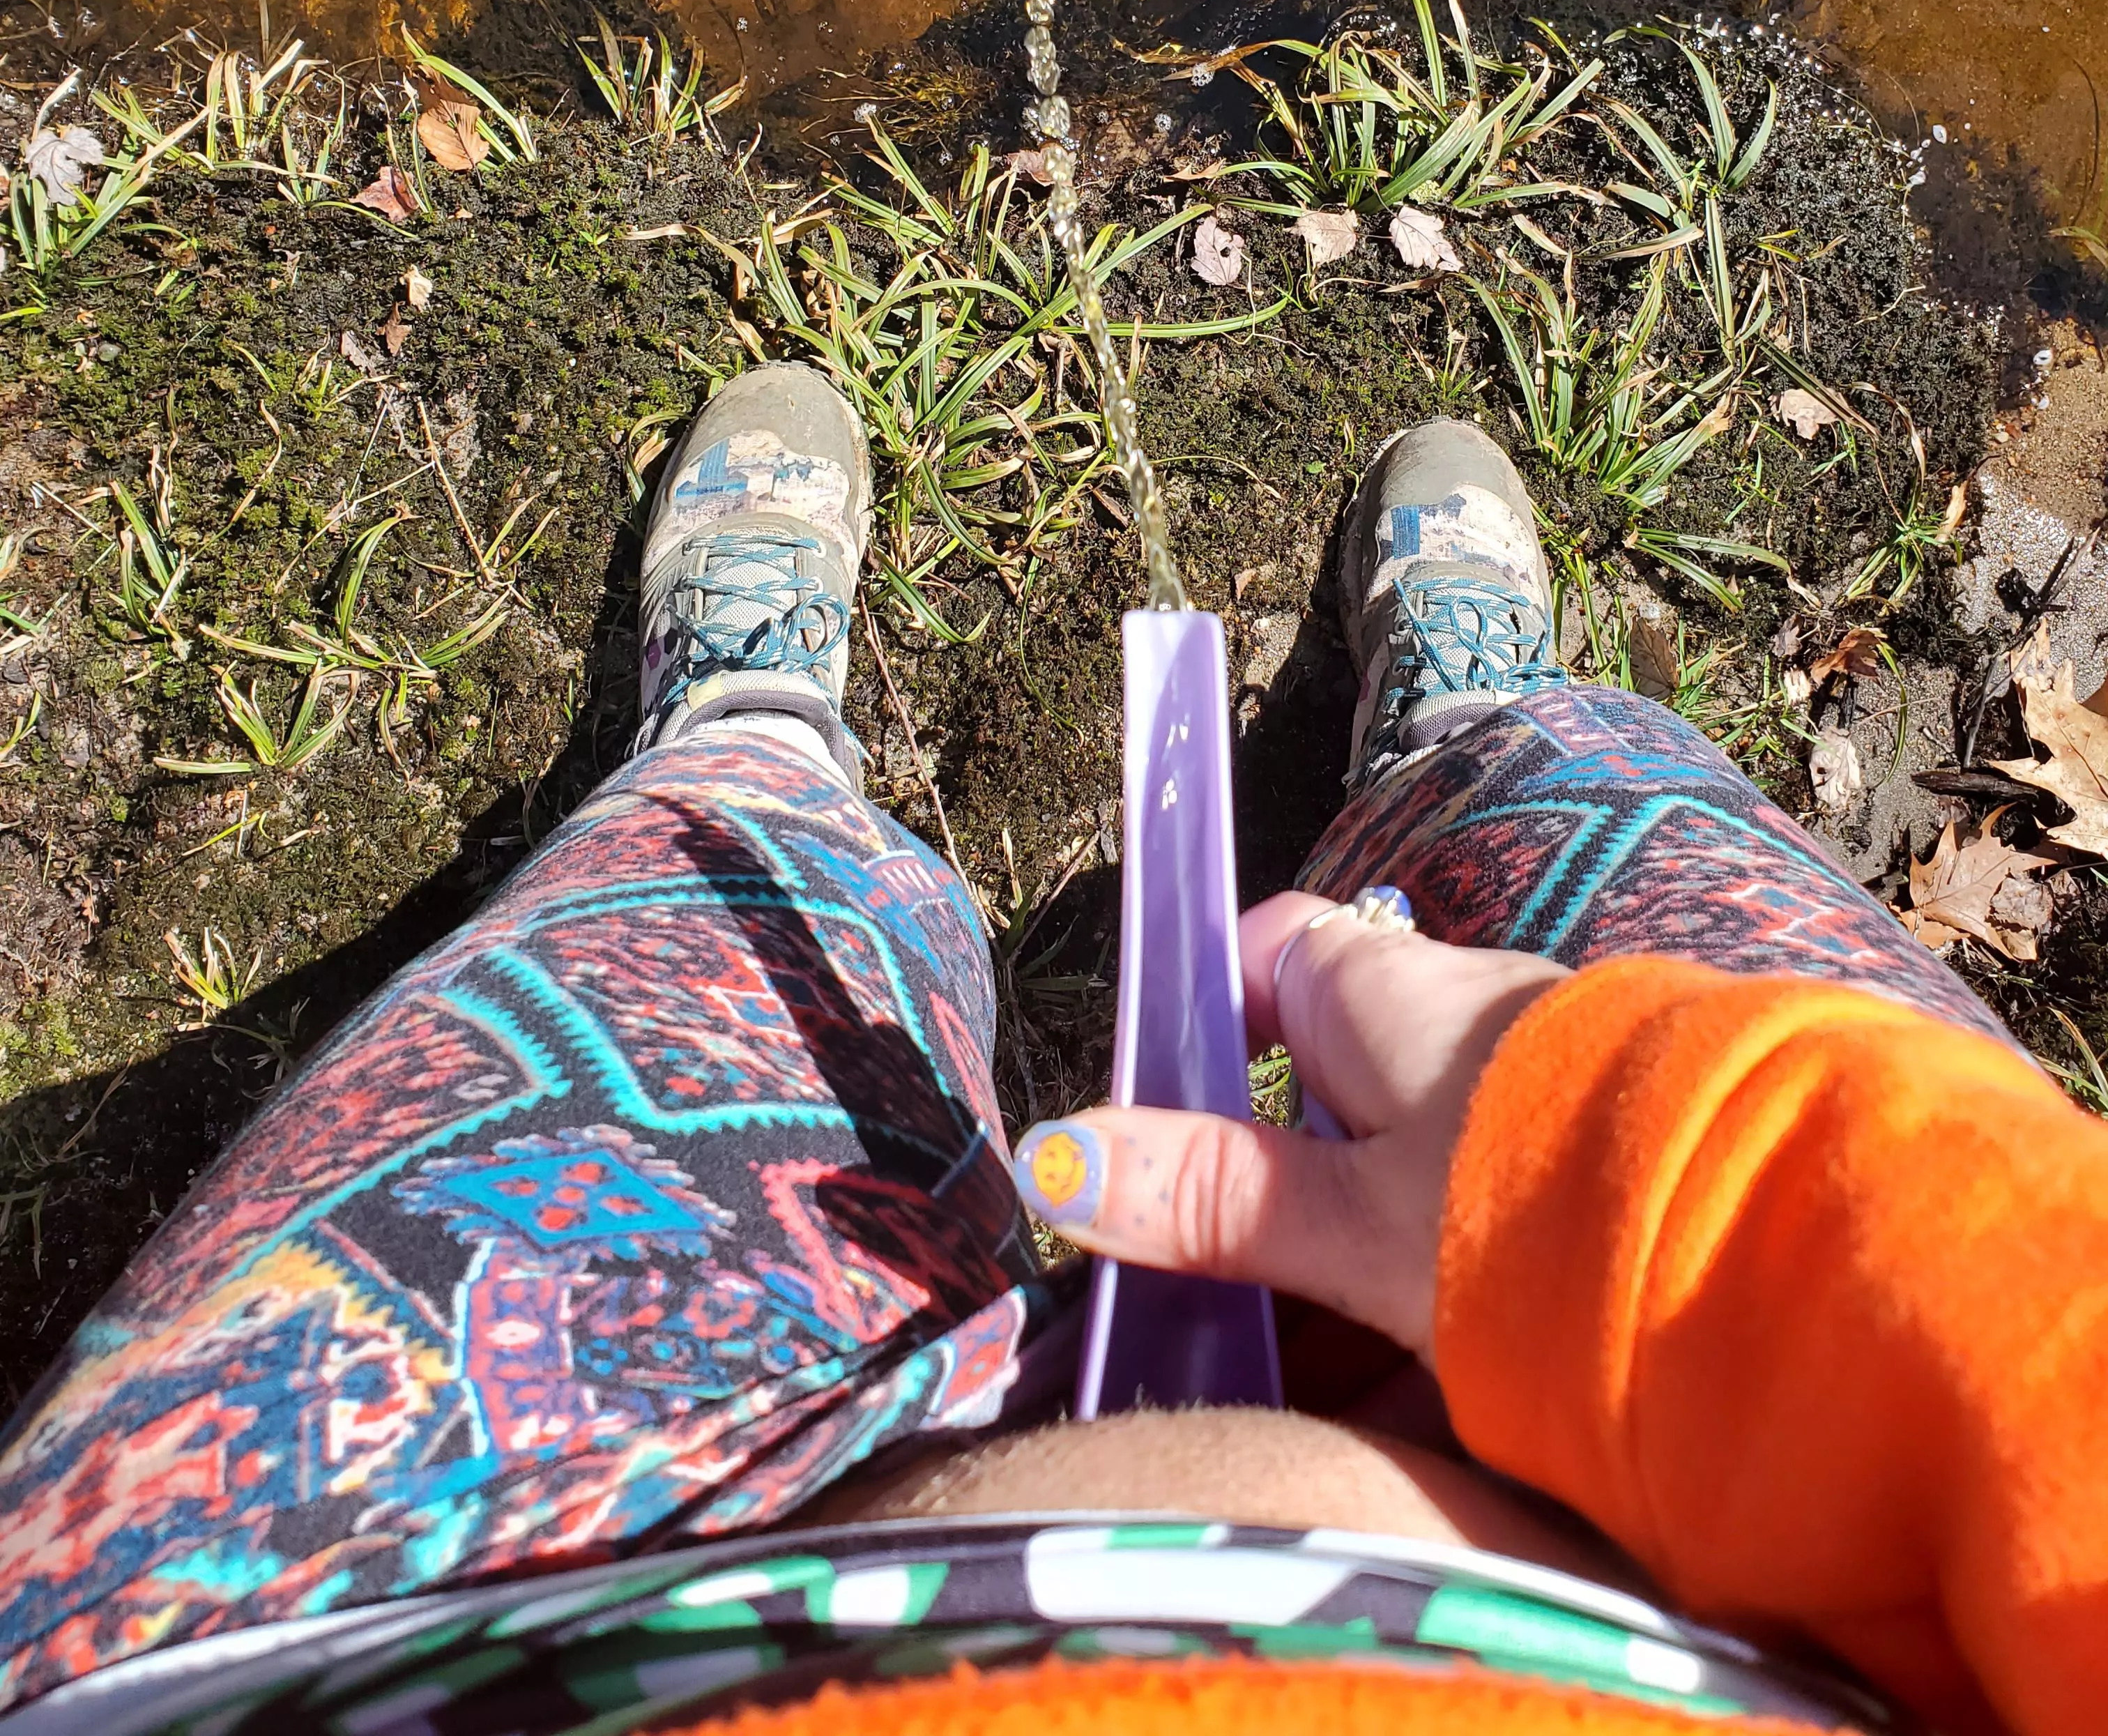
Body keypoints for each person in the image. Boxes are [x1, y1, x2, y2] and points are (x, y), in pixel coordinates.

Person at [0, 363, 2100, 1736]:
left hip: (421, 1617)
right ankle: (1483, 738)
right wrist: (1697, 1189)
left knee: (688, 949)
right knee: (1656, 917)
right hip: (1802, 1564)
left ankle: (751, 749)